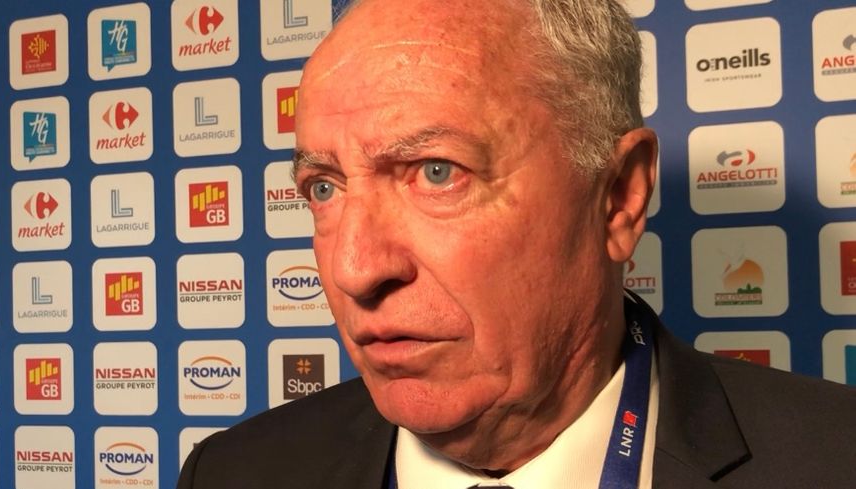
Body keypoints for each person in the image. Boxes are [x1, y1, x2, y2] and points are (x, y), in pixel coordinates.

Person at [177, 0, 856, 487]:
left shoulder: (835, 459)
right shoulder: (234, 472)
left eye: (435, 172)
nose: (355, 268)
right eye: (324, 187)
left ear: (618, 196)